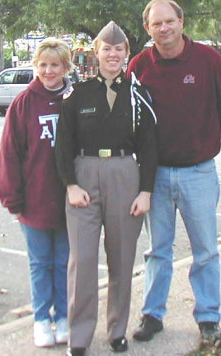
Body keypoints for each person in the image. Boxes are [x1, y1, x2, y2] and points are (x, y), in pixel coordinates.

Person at [126, 0, 221, 344]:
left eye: (169, 21)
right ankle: (152, 315)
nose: (163, 28)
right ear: (148, 29)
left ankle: (208, 318)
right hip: (155, 176)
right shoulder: (139, 66)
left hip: (199, 173)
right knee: (157, 250)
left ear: (181, 22)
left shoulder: (208, 60)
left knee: (205, 250)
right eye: (156, 24)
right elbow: (130, 117)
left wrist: (206, 136)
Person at [55, 21, 157, 356]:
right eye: (106, 49)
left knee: (122, 258)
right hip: (84, 175)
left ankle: (117, 330)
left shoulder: (138, 95)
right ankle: (80, 335)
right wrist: (70, 185)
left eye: (119, 49)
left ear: (127, 53)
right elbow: (63, 144)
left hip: (125, 174)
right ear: (96, 52)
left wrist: (145, 191)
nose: (113, 55)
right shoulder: (78, 94)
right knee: (82, 260)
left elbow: (150, 147)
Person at [0, 37, 74, 348]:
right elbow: (9, 155)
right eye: (42, 65)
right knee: (40, 263)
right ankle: (42, 319)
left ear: (66, 67)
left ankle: (65, 316)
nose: (48, 70)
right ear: (35, 66)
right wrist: (12, 199)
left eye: (55, 65)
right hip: (35, 201)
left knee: (65, 263)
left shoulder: (76, 101)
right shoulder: (23, 104)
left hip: (71, 201)